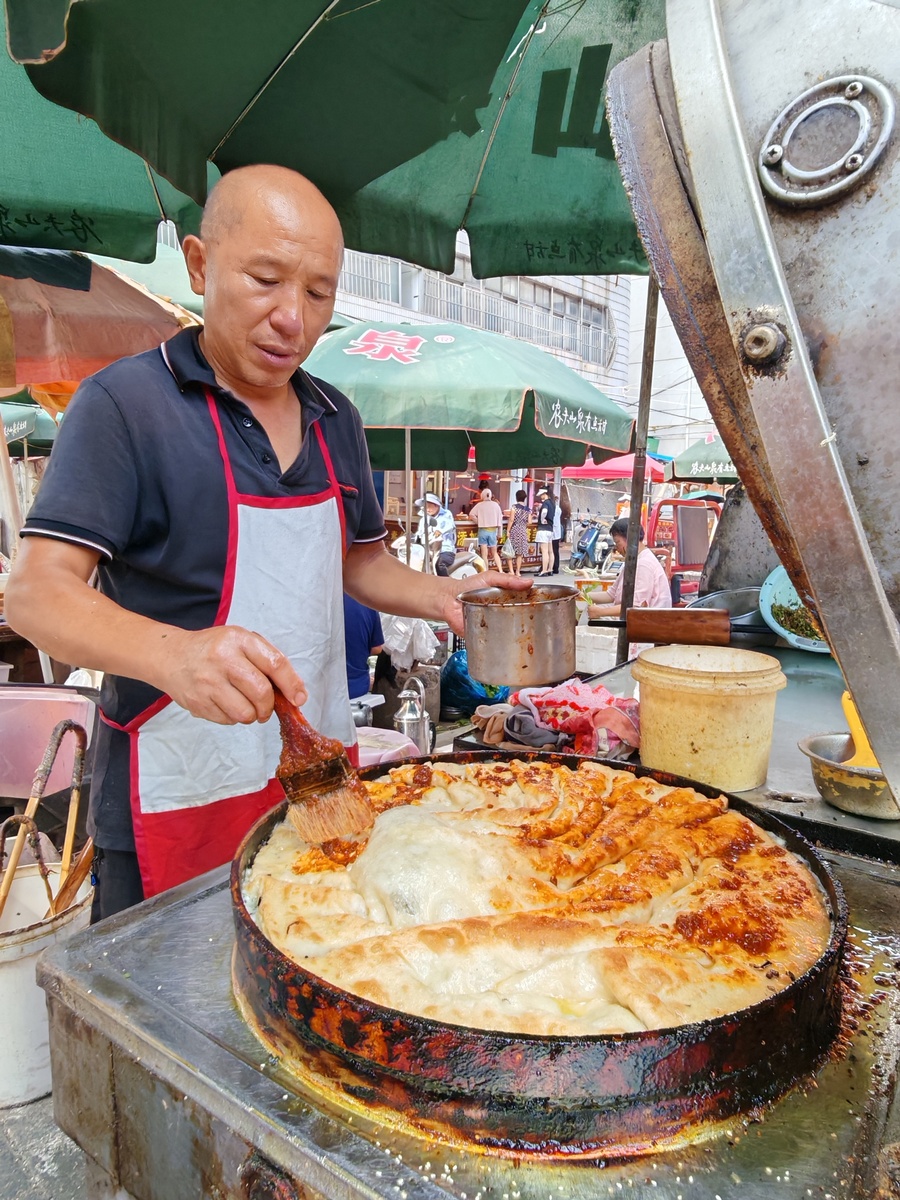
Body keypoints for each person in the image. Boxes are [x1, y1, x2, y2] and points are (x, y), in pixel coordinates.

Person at [4, 164, 530, 920]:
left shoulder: (335, 416)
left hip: (317, 771)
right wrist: (174, 654)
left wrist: (441, 593)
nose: (294, 318)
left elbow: (359, 560)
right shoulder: (124, 404)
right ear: (198, 263)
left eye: (319, 293)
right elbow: (36, 595)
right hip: (177, 781)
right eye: (265, 280)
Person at [587, 517, 672, 656]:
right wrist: (580, 595)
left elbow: (635, 607)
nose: (617, 548)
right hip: (636, 626)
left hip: (647, 632)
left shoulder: (643, 564)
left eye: (618, 542)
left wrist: (599, 612)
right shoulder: (633, 560)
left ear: (630, 539)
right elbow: (611, 594)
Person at [343, 594, 383, 700]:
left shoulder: (317, 600)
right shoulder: (367, 602)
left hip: (320, 689)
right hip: (357, 687)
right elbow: (377, 648)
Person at [414, 493, 457, 575]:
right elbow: (420, 532)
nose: (427, 509)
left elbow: (449, 525)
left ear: (436, 505)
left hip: (444, 550)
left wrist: (440, 531)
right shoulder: (424, 518)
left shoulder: (446, 514)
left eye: (429, 506)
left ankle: (445, 584)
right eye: (426, 506)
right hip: (428, 550)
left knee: (439, 564)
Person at [466, 487, 506, 573]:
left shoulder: (479, 505)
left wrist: (479, 522)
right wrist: (499, 533)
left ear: (482, 496)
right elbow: (500, 520)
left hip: (482, 531)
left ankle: (486, 571)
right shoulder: (496, 505)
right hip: (492, 531)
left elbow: (471, 514)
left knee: (484, 554)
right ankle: (501, 570)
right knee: (495, 553)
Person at [505, 489, 530, 577]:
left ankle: (511, 571)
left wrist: (508, 530)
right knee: (519, 553)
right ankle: (518, 572)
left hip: (515, 530)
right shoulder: (528, 509)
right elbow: (529, 521)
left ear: (516, 497)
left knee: (510, 551)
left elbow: (511, 520)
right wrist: (523, 523)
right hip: (523, 531)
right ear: (524, 498)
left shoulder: (514, 507)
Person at [535, 487, 556, 577]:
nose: (541, 496)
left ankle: (544, 570)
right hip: (550, 530)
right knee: (550, 551)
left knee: (544, 551)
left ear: (545, 494)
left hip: (543, 529)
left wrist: (543, 519)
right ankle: (550, 569)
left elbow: (544, 511)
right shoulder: (553, 503)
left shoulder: (546, 503)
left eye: (542, 495)